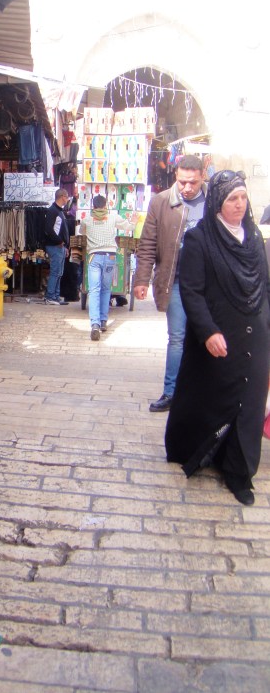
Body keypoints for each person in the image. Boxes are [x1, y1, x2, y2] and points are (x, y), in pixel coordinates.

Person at [165, 171, 270, 505]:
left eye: (242, 198)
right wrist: (208, 330)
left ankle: (239, 472)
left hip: (255, 337)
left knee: (250, 403)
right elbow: (192, 292)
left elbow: (264, 286)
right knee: (214, 398)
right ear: (218, 204)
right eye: (231, 199)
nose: (239, 205)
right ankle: (200, 448)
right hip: (219, 334)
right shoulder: (200, 239)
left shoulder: (253, 236)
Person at [133, 155, 207, 412]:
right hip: (175, 280)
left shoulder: (213, 201)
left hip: (208, 284)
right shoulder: (161, 201)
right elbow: (148, 243)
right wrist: (141, 279)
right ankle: (171, 392)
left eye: (193, 183)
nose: (187, 188)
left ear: (202, 177)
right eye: (183, 181)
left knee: (204, 336)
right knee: (177, 338)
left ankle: (201, 393)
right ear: (176, 175)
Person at [80, 195, 137, 340]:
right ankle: (104, 320)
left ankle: (95, 324)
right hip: (110, 256)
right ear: (106, 205)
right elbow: (128, 227)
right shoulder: (113, 217)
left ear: (93, 206)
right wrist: (134, 221)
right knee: (106, 289)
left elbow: (82, 231)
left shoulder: (87, 219)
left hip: (94, 257)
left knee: (94, 290)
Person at [43, 189, 70, 305]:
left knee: (59, 272)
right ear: (62, 196)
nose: (68, 199)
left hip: (60, 247)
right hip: (54, 246)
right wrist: (59, 241)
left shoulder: (60, 211)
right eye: (67, 197)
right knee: (55, 272)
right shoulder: (52, 211)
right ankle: (50, 296)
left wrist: (65, 246)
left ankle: (56, 296)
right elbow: (48, 230)